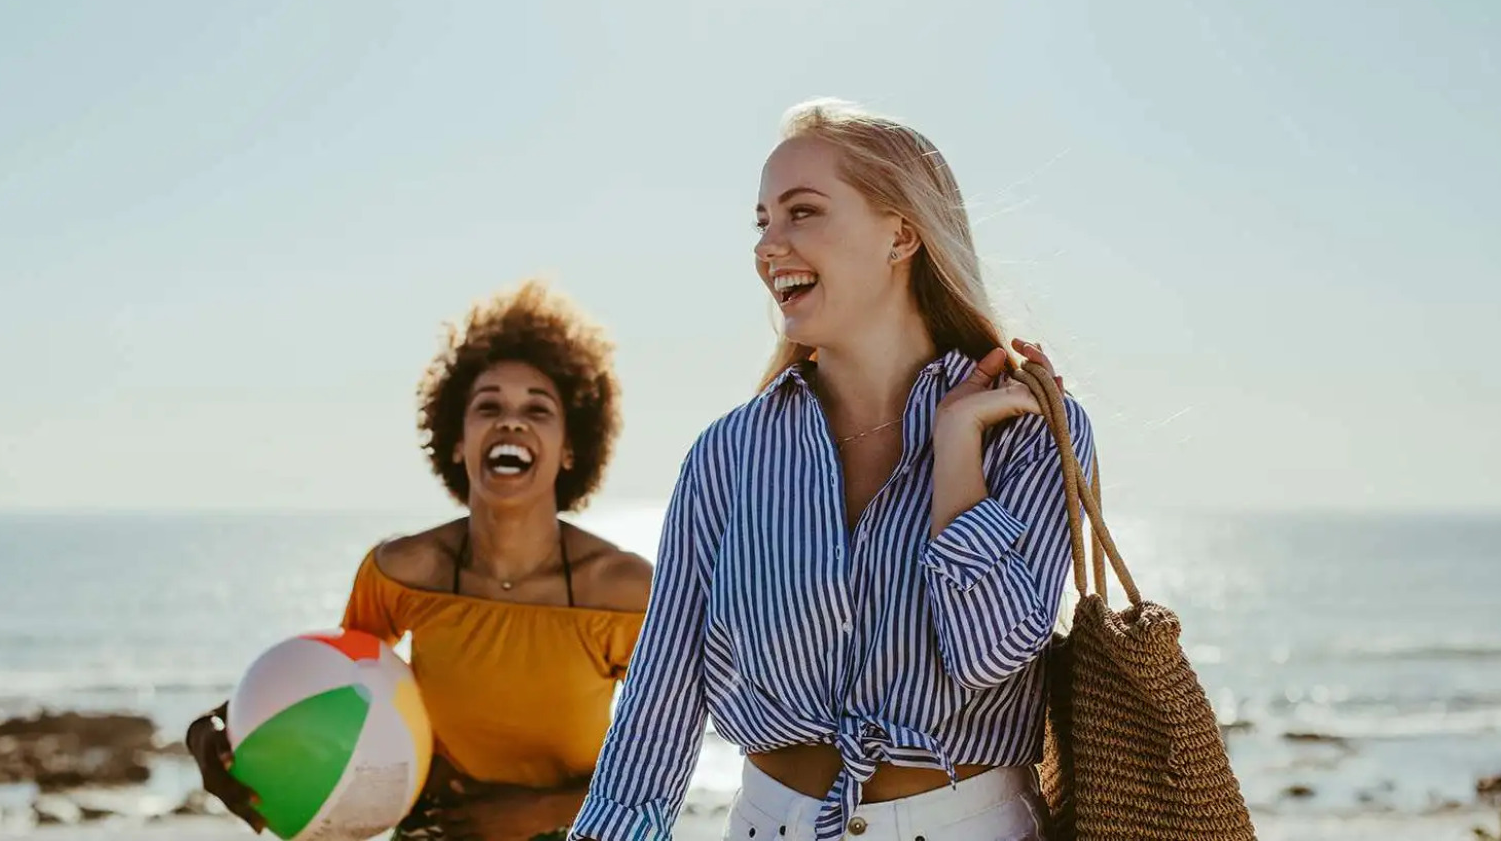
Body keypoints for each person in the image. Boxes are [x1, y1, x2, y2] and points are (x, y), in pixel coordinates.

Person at [570, 100, 1090, 841]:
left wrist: (955, 456)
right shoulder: (730, 453)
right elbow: (662, 694)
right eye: (761, 222)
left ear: (901, 233)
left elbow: (992, 655)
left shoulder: (1027, 430)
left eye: (802, 213)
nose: (768, 247)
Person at [186, 281, 654, 841]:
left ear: (571, 447)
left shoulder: (625, 591)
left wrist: (533, 812)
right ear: (457, 440)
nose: (512, 423)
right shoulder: (401, 571)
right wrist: (220, 726)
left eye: (538, 408)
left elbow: (663, 760)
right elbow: (331, 690)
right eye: (488, 407)